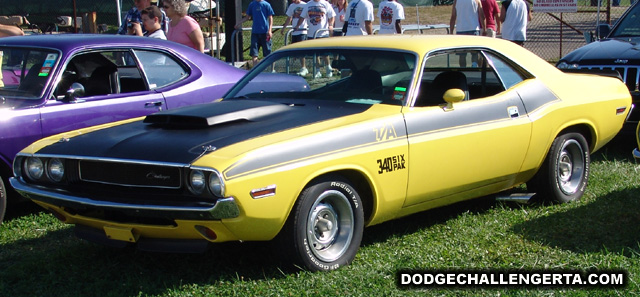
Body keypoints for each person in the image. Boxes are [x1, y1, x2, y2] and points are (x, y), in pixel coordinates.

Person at [295, 0, 335, 78]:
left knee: (324, 53)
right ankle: (317, 70)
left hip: (323, 33)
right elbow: (302, 17)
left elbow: (332, 16)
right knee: (315, 54)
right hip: (312, 34)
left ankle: (328, 68)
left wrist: (330, 25)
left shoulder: (325, 4)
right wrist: (297, 25)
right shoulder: (308, 4)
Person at [235, 0, 275, 66]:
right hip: (255, 32)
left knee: (268, 52)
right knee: (254, 53)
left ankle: (271, 69)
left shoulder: (266, 5)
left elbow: (270, 18)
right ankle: (255, 69)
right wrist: (238, 23)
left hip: (265, 32)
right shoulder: (252, 4)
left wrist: (270, 30)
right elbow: (247, 17)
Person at [450, 0, 484, 67]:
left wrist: (451, 31)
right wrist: (484, 28)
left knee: (462, 55)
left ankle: (463, 69)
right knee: (474, 53)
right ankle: (474, 68)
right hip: (474, 28)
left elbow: (453, 16)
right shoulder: (476, 0)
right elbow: (482, 15)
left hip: (461, 29)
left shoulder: (457, 1)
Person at [282, 0, 309, 75]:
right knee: (295, 50)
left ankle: (304, 67)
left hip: (302, 31)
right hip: (294, 31)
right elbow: (289, 17)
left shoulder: (305, 5)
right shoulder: (291, 6)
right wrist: (284, 27)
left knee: (301, 51)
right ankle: (298, 66)